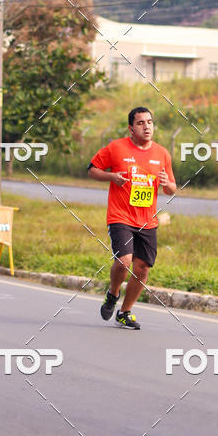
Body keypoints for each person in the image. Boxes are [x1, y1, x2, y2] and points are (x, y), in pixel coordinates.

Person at [87, 107, 176, 329]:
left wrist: (167, 184)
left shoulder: (162, 153)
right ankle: (113, 293)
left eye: (149, 122)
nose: (146, 127)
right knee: (124, 260)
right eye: (140, 123)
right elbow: (92, 169)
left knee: (142, 268)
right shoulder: (116, 148)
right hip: (120, 215)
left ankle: (124, 312)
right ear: (131, 128)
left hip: (147, 220)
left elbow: (172, 188)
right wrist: (111, 176)